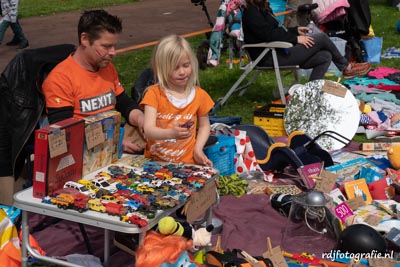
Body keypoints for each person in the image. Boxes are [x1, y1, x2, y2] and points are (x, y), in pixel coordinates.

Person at [42, 9, 144, 154]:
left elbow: (123, 102)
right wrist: (114, 142)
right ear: (84, 39)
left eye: (114, 46)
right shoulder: (60, 79)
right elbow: (64, 133)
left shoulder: (107, 68)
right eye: (106, 46)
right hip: (82, 156)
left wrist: (140, 118)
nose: (113, 52)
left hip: (110, 146)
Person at [242, 0, 372, 80]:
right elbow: (268, 35)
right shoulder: (252, 12)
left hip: (277, 51)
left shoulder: (261, 9)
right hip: (268, 57)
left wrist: (295, 30)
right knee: (321, 38)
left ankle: (310, 93)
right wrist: (295, 38)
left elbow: (274, 31)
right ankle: (346, 67)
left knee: (324, 56)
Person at [140, 34, 214, 166]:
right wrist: (170, 133)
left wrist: (198, 149)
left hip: (187, 164)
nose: (182, 72)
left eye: (186, 65)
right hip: (155, 164)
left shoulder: (200, 95)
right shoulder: (153, 94)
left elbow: (204, 125)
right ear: (161, 68)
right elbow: (149, 130)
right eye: (175, 68)